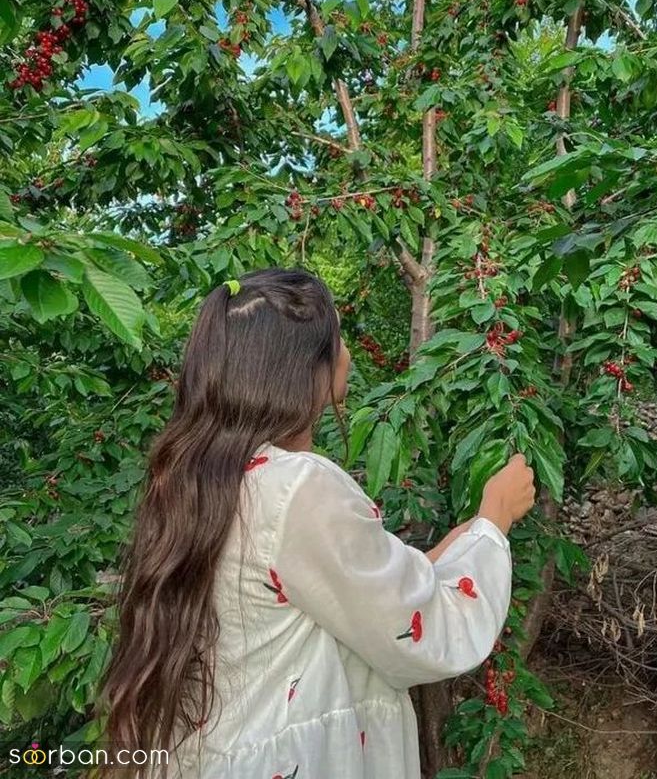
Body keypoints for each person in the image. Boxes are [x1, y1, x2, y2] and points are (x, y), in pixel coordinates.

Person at [99, 267, 535, 779]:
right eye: (338, 336)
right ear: (306, 367)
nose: (346, 350)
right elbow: (426, 635)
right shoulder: (298, 487)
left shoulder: (200, 479)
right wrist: (495, 515)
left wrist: (445, 555)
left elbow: (338, 595)